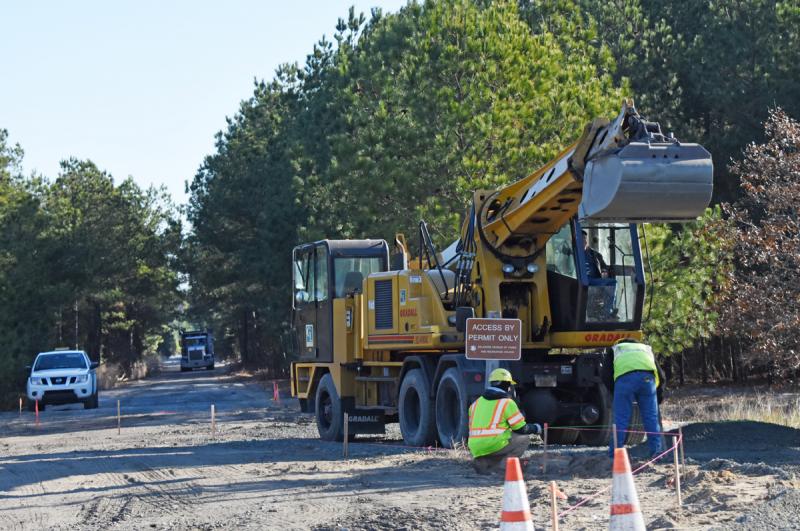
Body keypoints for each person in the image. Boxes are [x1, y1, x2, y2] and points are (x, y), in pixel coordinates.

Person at [468, 368, 541, 474]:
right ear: (507, 385)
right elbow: (521, 428)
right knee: (524, 439)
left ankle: (485, 462)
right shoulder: (507, 403)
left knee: (502, 441)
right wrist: (536, 428)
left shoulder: (475, 403)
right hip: (493, 444)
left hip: (475, 447)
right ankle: (502, 467)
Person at [609, 339, 665, 458]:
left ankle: (615, 455)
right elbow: (662, 376)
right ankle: (656, 454)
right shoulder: (645, 348)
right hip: (647, 380)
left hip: (624, 380)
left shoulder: (616, 349)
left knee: (621, 419)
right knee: (651, 418)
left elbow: (605, 374)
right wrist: (659, 397)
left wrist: (614, 392)